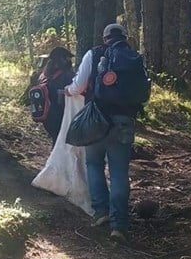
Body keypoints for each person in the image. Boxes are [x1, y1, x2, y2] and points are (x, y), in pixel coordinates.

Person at [64, 23, 137, 244]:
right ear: (124, 37)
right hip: (124, 121)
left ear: (104, 38)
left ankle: (101, 212)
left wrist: (68, 90)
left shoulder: (93, 54)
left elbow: (78, 86)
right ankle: (119, 224)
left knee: (94, 164)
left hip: (96, 120)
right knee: (119, 172)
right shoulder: (133, 57)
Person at [39, 47, 75, 145]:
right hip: (61, 114)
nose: (70, 61)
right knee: (61, 143)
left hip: (46, 115)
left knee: (56, 141)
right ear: (62, 59)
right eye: (68, 58)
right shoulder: (67, 75)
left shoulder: (43, 75)